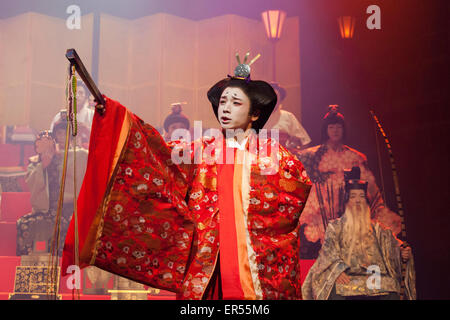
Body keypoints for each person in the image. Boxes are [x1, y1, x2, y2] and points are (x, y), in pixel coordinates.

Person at [62, 55, 312, 300]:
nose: (225, 108)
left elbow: (292, 199)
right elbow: (157, 154)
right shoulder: (202, 149)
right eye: (223, 102)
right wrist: (115, 116)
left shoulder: (274, 156)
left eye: (235, 103)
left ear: (255, 114)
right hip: (207, 262)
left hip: (253, 269)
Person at [297, 105, 401, 259]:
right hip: (319, 212)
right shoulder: (311, 155)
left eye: (338, 127)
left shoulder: (355, 157)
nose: (335, 131)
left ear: (344, 129)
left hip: (348, 209)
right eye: (331, 127)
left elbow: (369, 187)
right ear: (326, 130)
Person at [301, 167, 416, 300]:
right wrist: (337, 271)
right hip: (348, 277)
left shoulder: (379, 230)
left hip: (376, 277)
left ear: (366, 203)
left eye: (361, 196)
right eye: (353, 196)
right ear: (346, 202)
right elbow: (327, 256)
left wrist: (402, 252)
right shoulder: (335, 227)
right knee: (333, 288)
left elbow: (395, 247)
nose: (357, 201)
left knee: (392, 288)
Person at [16, 119, 88, 256]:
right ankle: (26, 263)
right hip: (45, 210)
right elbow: (31, 183)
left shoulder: (80, 155)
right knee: (23, 223)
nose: (62, 137)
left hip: (69, 209)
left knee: (64, 225)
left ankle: (62, 266)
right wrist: (44, 165)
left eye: (65, 133)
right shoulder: (38, 159)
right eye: (59, 133)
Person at [263, 82, 311, 151]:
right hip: (260, 158)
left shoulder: (288, 116)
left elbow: (304, 141)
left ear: (280, 100)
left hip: (284, 158)